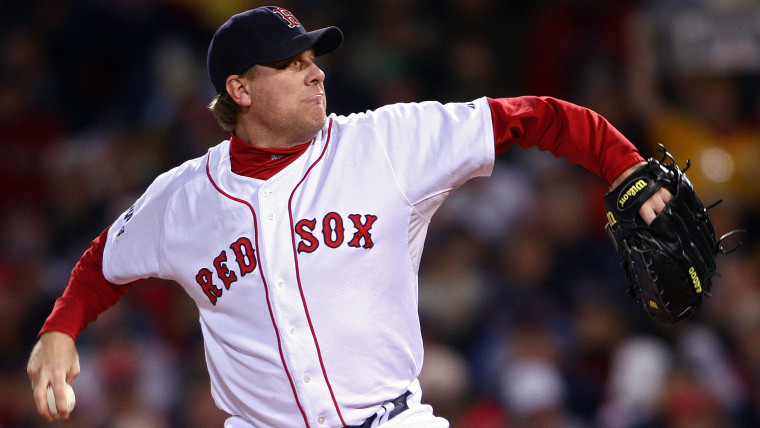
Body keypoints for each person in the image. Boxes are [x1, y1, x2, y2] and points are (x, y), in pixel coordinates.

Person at [27, 6, 672, 428]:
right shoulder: (183, 198)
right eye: (292, 64)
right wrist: (60, 328)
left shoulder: (385, 142)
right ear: (240, 90)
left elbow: (537, 116)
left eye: (314, 60)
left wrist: (623, 164)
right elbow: (103, 264)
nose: (315, 74)